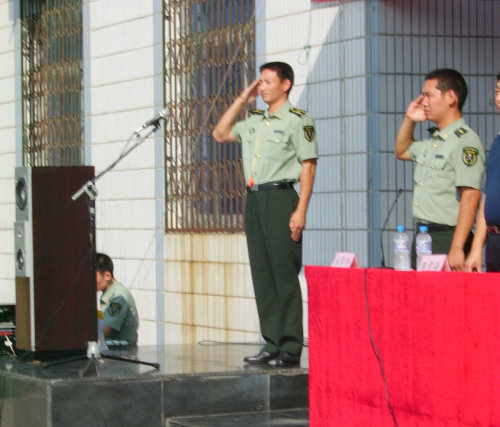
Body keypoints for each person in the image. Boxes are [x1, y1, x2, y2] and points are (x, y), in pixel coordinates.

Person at [212, 62, 318, 367]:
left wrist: (301, 210)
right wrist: (241, 100)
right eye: (260, 82)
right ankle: (271, 342)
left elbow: (309, 166)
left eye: (268, 82)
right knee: (262, 273)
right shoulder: (255, 121)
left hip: (281, 197)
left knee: (283, 272)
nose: (263, 87)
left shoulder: (298, 120)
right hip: (255, 199)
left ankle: (290, 346)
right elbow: (219, 133)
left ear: (286, 84)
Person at [395, 69, 485, 271]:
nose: (424, 102)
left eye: (429, 95)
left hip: (448, 238)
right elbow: (401, 151)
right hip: (424, 237)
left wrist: (457, 247)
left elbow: (471, 194)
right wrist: (410, 119)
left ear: (451, 97)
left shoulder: (465, 140)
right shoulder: (434, 140)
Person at [465, 73, 500, 272]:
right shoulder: (498, 141)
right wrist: (477, 247)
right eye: (497, 92)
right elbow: (488, 195)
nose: (498, 99)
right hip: (494, 240)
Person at [96, 252, 139, 346]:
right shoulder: (106, 294)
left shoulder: (119, 297)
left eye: (93, 276)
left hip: (122, 350)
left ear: (107, 276)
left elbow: (107, 329)